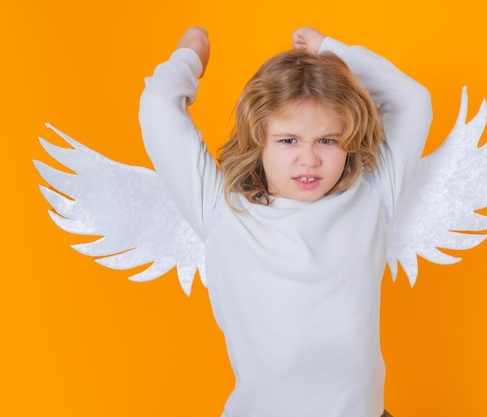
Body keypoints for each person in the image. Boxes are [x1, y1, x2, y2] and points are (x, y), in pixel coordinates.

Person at [139, 25, 432, 417]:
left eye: (327, 140)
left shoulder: (371, 195)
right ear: (259, 139)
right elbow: (158, 104)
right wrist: (192, 51)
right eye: (288, 140)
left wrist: (330, 51)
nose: (308, 159)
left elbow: (414, 100)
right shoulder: (222, 209)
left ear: (348, 139)